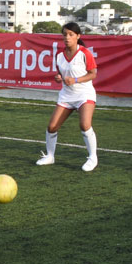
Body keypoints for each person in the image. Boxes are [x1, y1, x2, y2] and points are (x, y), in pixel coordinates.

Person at [36, 21, 99, 172]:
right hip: (66, 95)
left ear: (78, 36)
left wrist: (76, 80)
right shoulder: (59, 56)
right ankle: (50, 156)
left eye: (71, 34)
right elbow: (61, 74)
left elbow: (93, 74)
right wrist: (58, 77)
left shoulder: (84, 53)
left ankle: (92, 158)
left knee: (84, 125)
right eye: (65, 35)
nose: (67, 38)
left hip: (84, 94)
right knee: (52, 127)